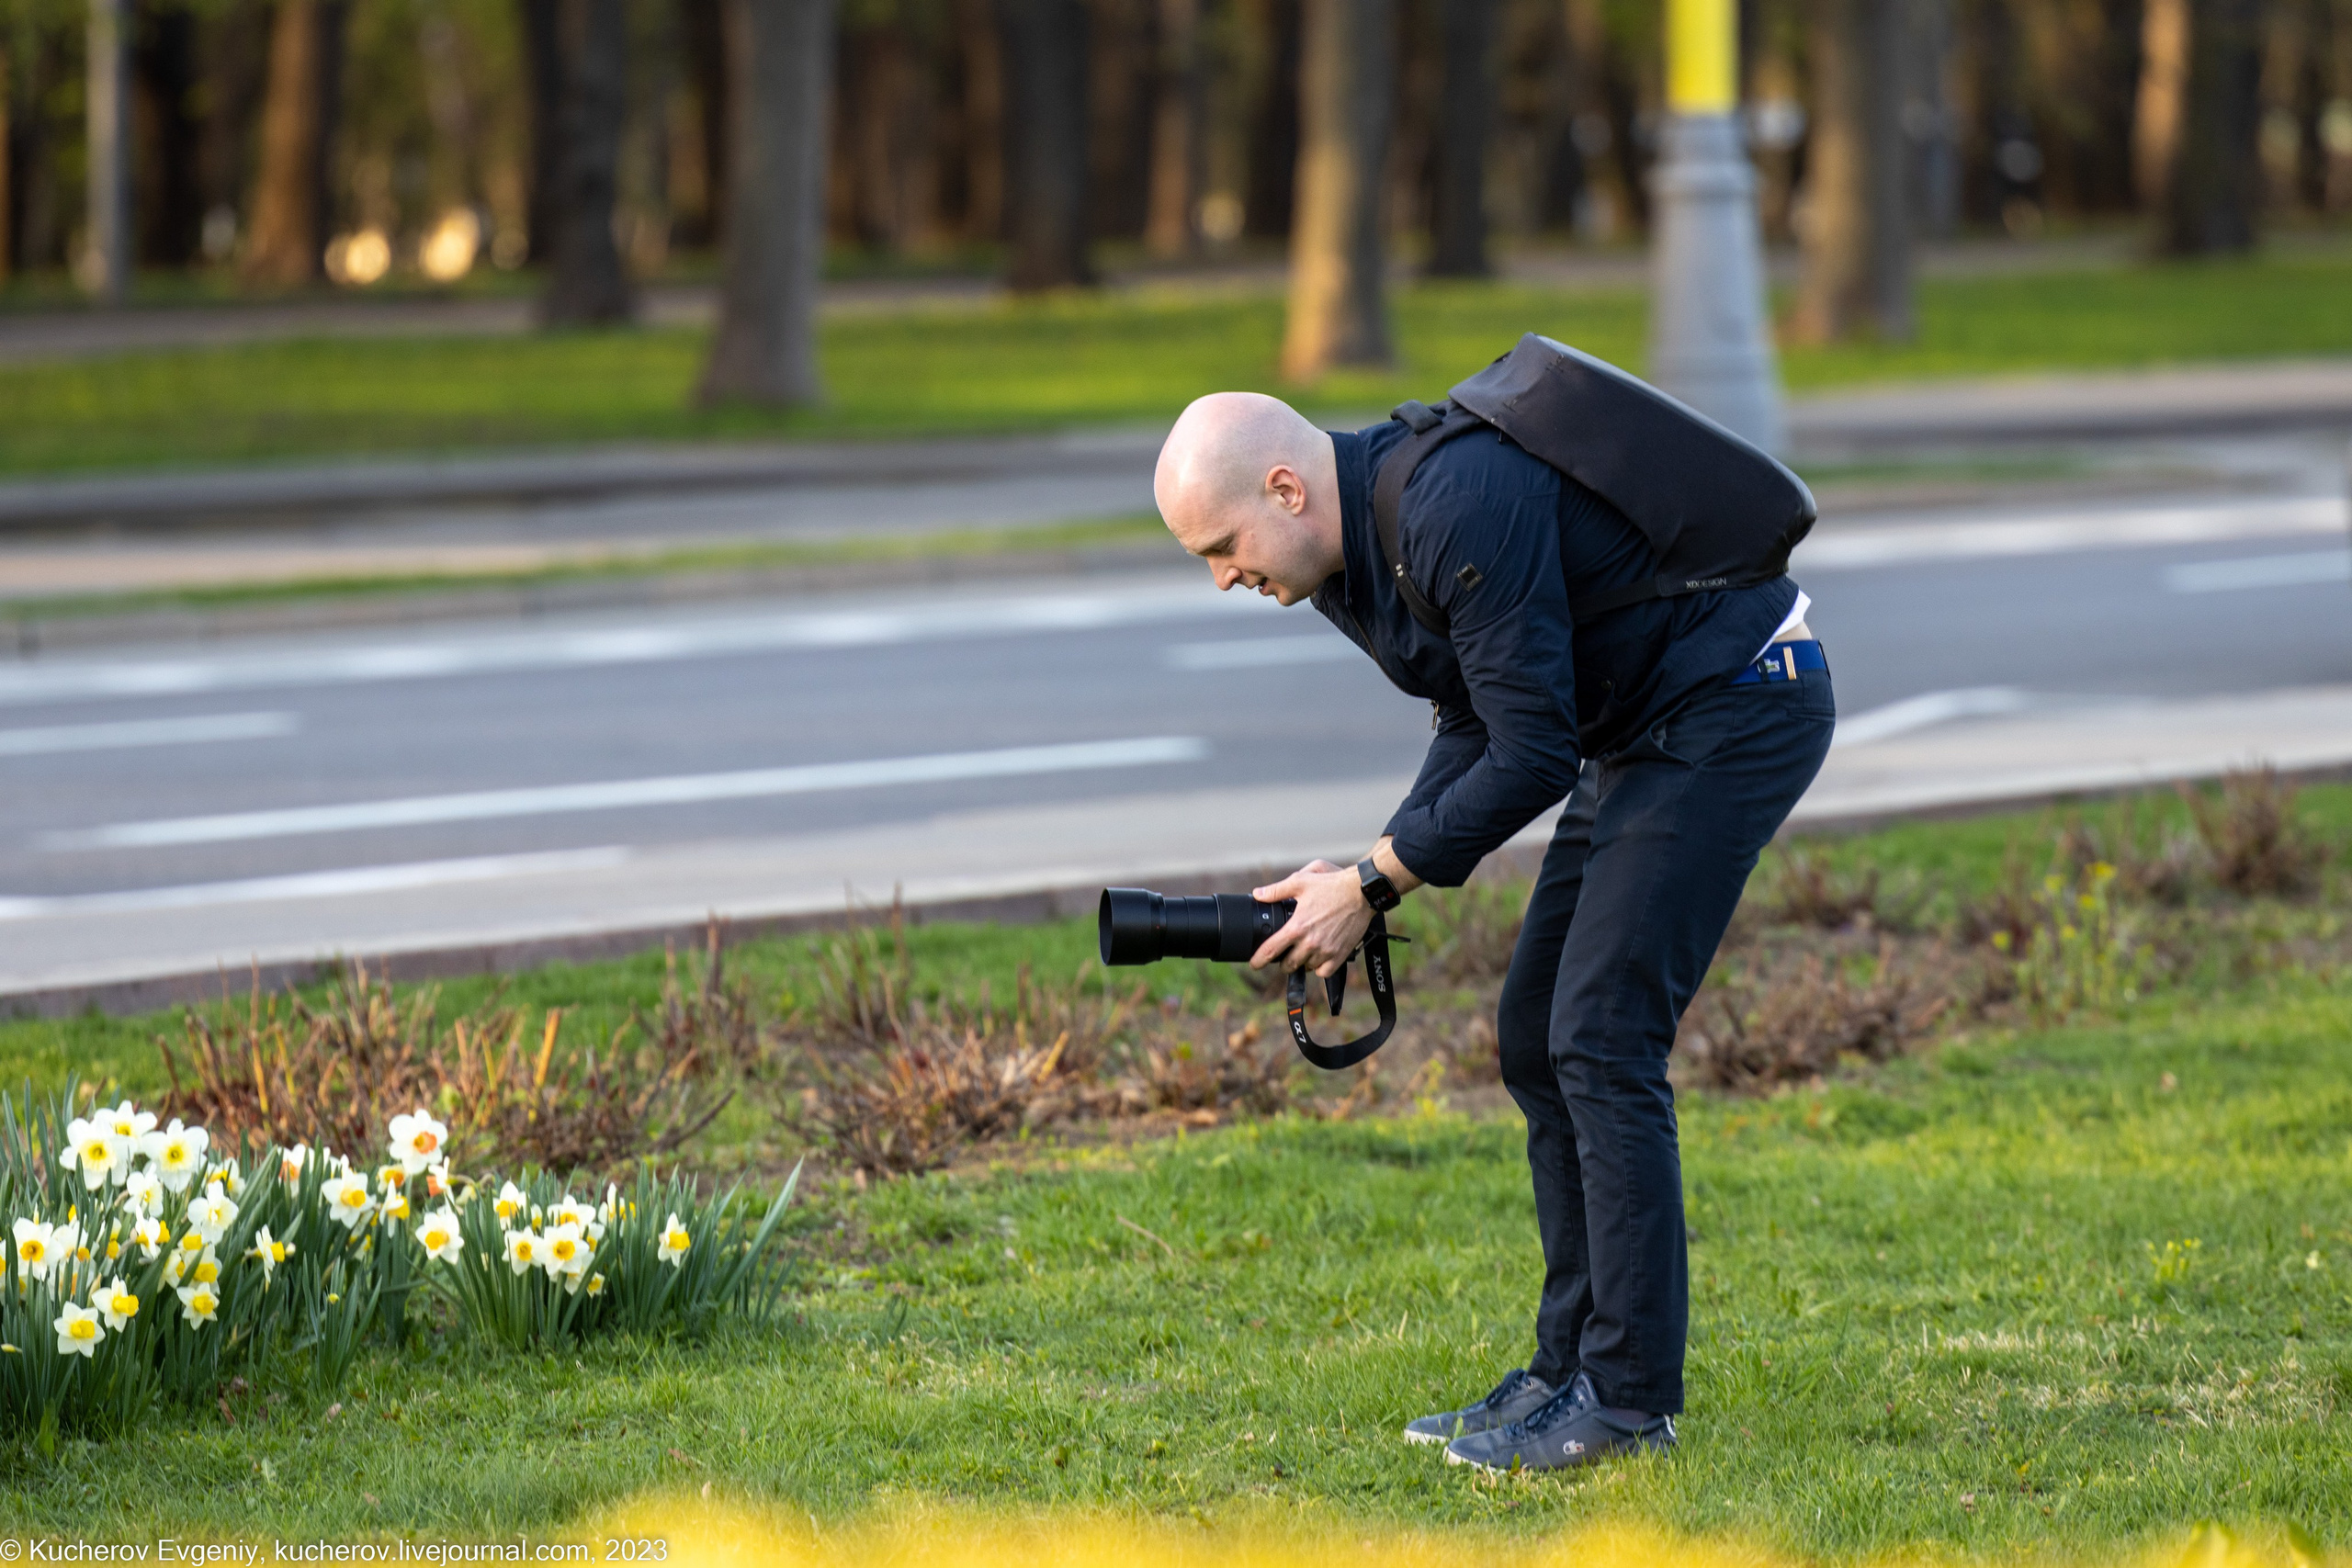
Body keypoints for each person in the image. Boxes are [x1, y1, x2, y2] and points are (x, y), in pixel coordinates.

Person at [1151, 389, 1835, 1472]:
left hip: (1735, 702)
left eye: (1222, 547)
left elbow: (1531, 755)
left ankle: (1626, 1401)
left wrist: (1371, 884)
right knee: (1534, 1034)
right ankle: (1568, 1370)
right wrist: (1369, 871)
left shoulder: (1452, 503)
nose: (1222, 577)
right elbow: (1477, 716)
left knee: (1601, 1037)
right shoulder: (1342, 562)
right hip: (1640, 728)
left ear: (1284, 490)